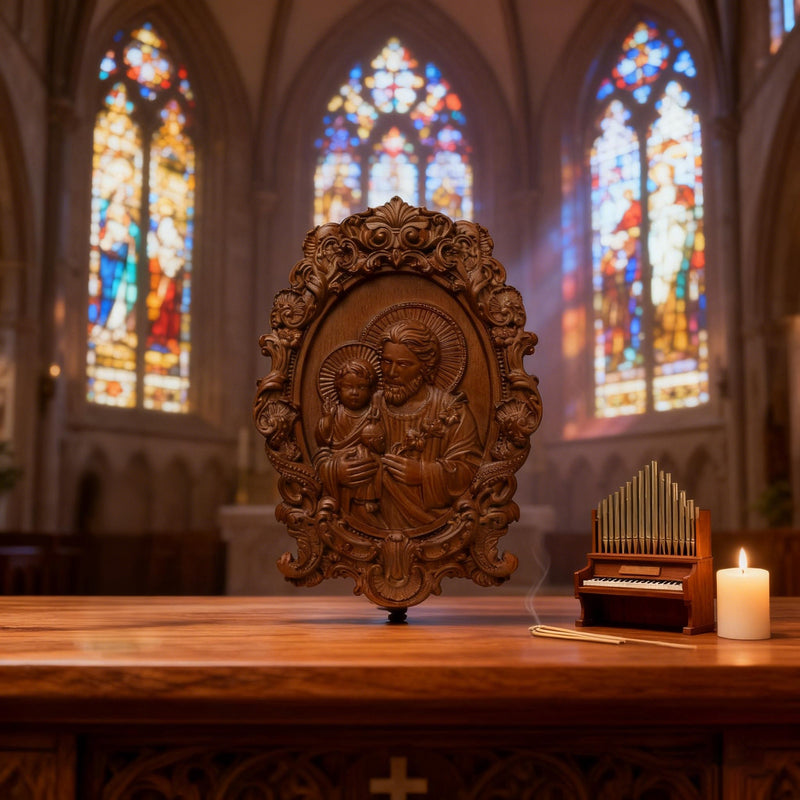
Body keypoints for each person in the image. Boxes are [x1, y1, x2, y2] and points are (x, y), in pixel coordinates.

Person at [375, 318, 482, 529]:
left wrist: (423, 473)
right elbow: (333, 451)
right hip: (372, 524)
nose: (391, 372)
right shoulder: (369, 405)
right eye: (386, 361)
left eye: (403, 364)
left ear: (424, 367)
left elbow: (472, 471)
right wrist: (339, 469)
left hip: (435, 527)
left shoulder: (451, 410)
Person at [314, 358, 386, 523]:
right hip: (340, 457)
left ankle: (369, 498)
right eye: (348, 387)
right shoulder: (336, 413)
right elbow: (323, 438)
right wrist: (326, 418)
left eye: (361, 387)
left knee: (371, 460)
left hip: (363, 459)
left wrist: (374, 428)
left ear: (371, 390)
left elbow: (380, 443)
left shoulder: (372, 413)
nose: (354, 392)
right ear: (338, 389)